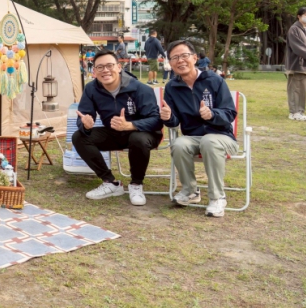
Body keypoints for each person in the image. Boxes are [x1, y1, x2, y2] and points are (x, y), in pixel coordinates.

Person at [72, 49, 163, 206]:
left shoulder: (139, 89)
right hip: (115, 133)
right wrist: (85, 124)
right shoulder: (91, 89)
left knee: (137, 138)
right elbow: (84, 115)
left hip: (144, 133)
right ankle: (111, 183)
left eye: (109, 65)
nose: (105, 70)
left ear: (119, 67)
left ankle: (136, 184)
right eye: (100, 67)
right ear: (94, 71)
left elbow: (156, 120)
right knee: (79, 136)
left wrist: (131, 125)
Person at [160, 40, 238, 218]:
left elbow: (229, 113)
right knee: (179, 144)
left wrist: (212, 114)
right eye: (175, 58)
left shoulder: (214, 80)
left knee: (209, 141)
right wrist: (168, 117)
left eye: (184, 56)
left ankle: (218, 197)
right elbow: (174, 121)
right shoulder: (172, 87)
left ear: (194, 58)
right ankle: (190, 191)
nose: (180, 61)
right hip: (194, 137)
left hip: (221, 136)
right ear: (170, 63)